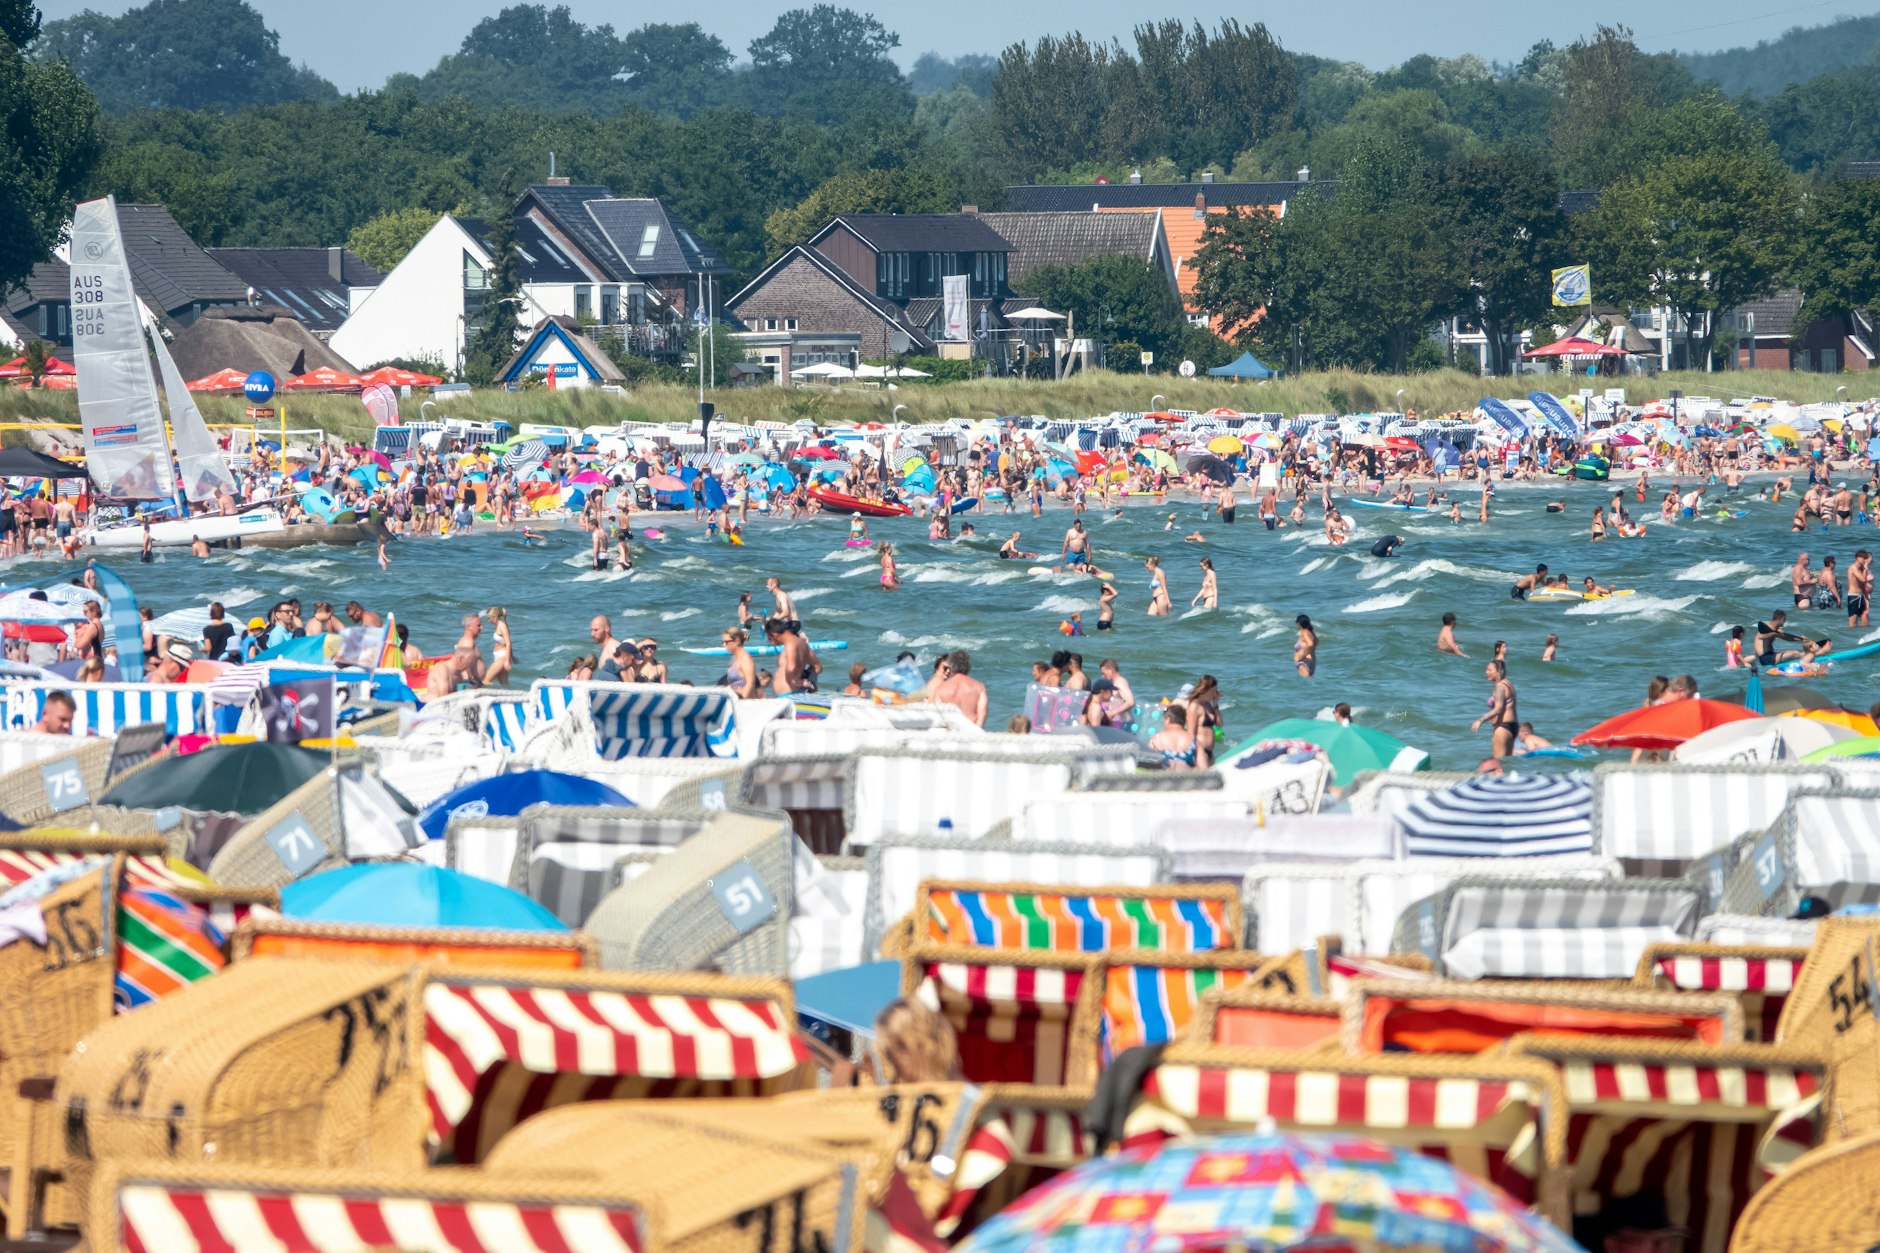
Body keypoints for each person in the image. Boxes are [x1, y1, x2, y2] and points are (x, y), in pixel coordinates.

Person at [872, 998, 960, 1083]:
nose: (893, 1059)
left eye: (899, 1046)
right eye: (888, 1053)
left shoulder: (964, 1092)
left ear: (925, 1045)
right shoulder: (894, 1091)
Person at [1470, 659, 1519, 758]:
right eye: (1486, 670)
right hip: (1513, 727)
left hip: (1502, 728)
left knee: (1498, 762)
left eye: (1489, 670)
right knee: (1507, 763)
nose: (1486, 672)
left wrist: (1480, 720)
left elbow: (1498, 709)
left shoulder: (1500, 687)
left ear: (1498, 671)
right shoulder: (1508, 684)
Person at [932, 650, 988, 727]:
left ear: (951, 667)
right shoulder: (978, 686)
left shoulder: (941, 689)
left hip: (951, 731)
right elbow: (982, 713)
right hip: (971, 729)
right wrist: (977, 730)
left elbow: (937, 715)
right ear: (967, 667)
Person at [765, 618, 818, 695]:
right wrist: (807, 679)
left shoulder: (790, 644)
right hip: (795, 693)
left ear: (774, 634)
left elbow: (790, 668)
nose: (771, 642)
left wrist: (797, 682)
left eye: (769, 639)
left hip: (787, 694)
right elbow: (817, 667)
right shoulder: (802, 643)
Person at [1185, 676, 1222, 766]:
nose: (1215, 694)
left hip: (1209, 751)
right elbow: (1190, 733)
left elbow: (1219, 724)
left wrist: (1215, 704)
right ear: (1206, 690)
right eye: (1213, 691)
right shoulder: (1194, 706)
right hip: (1200, 752)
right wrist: (1197, 753)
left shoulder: (1208, 705)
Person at [1148, 703, 1197, 769]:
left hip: (1164, 774)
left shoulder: (1156, 739)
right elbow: (1203, 767)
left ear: (1168, 719)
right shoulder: (1194, 740)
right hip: (1187, 775)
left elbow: (1147, 762)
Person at [720, 628, 759, 697]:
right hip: (736, 699)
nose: (724, 645)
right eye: (723, 642)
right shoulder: (735, 658)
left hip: (745, 700)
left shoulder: (745, 659)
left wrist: (743, 700)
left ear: (737, 641)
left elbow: (750, 683)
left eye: (726, 642)